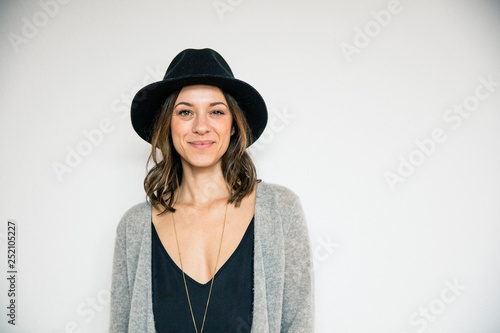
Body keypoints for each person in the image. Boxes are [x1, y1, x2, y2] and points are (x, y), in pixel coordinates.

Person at [109, 48, 314, 333]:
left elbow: (298, 324)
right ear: (168, 125)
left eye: (216, 111)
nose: (201, 126)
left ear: (233, 125)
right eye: (185, 112)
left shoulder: (280, 211)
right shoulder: (133, 228)